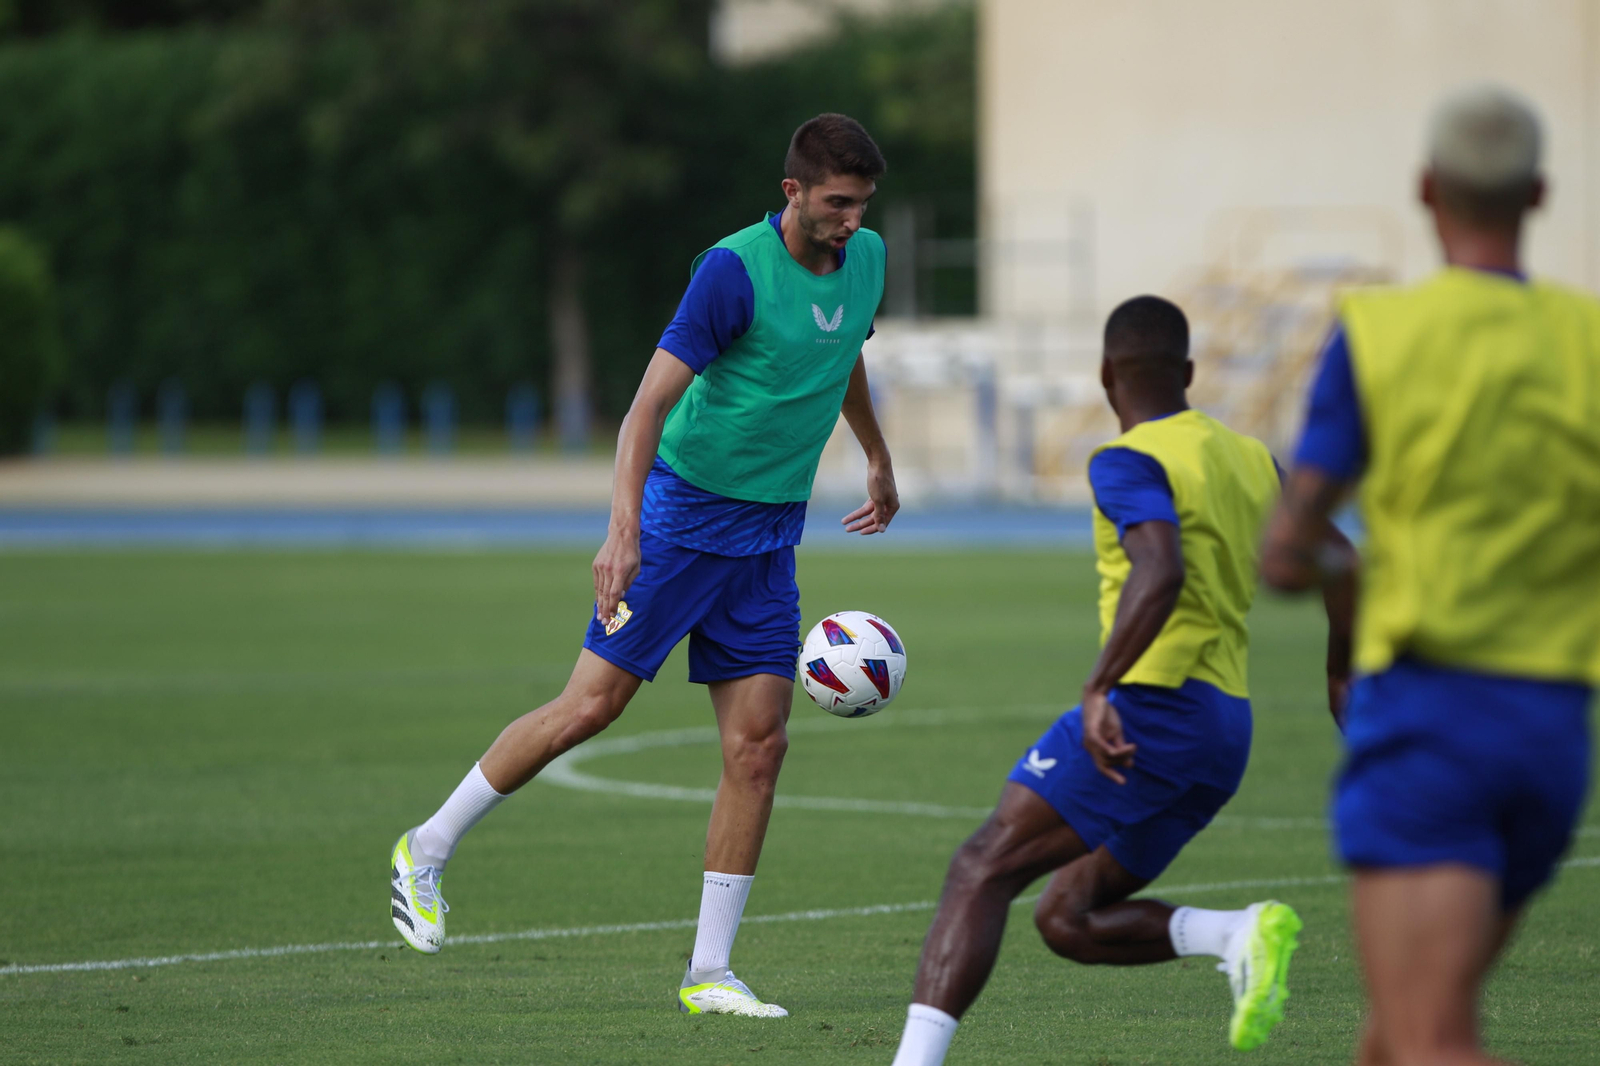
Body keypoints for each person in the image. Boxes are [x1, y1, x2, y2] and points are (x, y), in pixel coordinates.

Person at [389, 113, 900, 1019]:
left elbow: (844, 354)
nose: (852, 221)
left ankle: (710, 972)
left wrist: (878, 455)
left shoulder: (867, 260)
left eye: (861, 204)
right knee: (590, 707)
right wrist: (622, 531)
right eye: (835, 204)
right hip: (680, 521)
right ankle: (425, 848)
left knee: (759, 750)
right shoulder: (731, 271)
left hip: (770, 539)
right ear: (793, 193)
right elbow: (644, 409)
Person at [890, 295, 1355, 1066]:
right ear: (1190, 372)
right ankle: (1235, 934)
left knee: (981, 868)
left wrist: (1100, 685)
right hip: (1223, 734)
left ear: (1107, 374)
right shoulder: (1251, 459)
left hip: (1151, 712)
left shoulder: (1125, 459)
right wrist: (1339, 668)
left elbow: (1160, 568)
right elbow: (1345, 562)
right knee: (1066, 916)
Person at [1262, 83, 1600, 1066]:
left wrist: (1319, 552)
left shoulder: (1378, 336)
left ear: (1424, 189)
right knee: (1392, 1034)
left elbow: (1288, 554)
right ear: (1537, 194)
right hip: (1553, 732)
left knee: (1426, 1040)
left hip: (1432, 720)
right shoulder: (1585, 339)